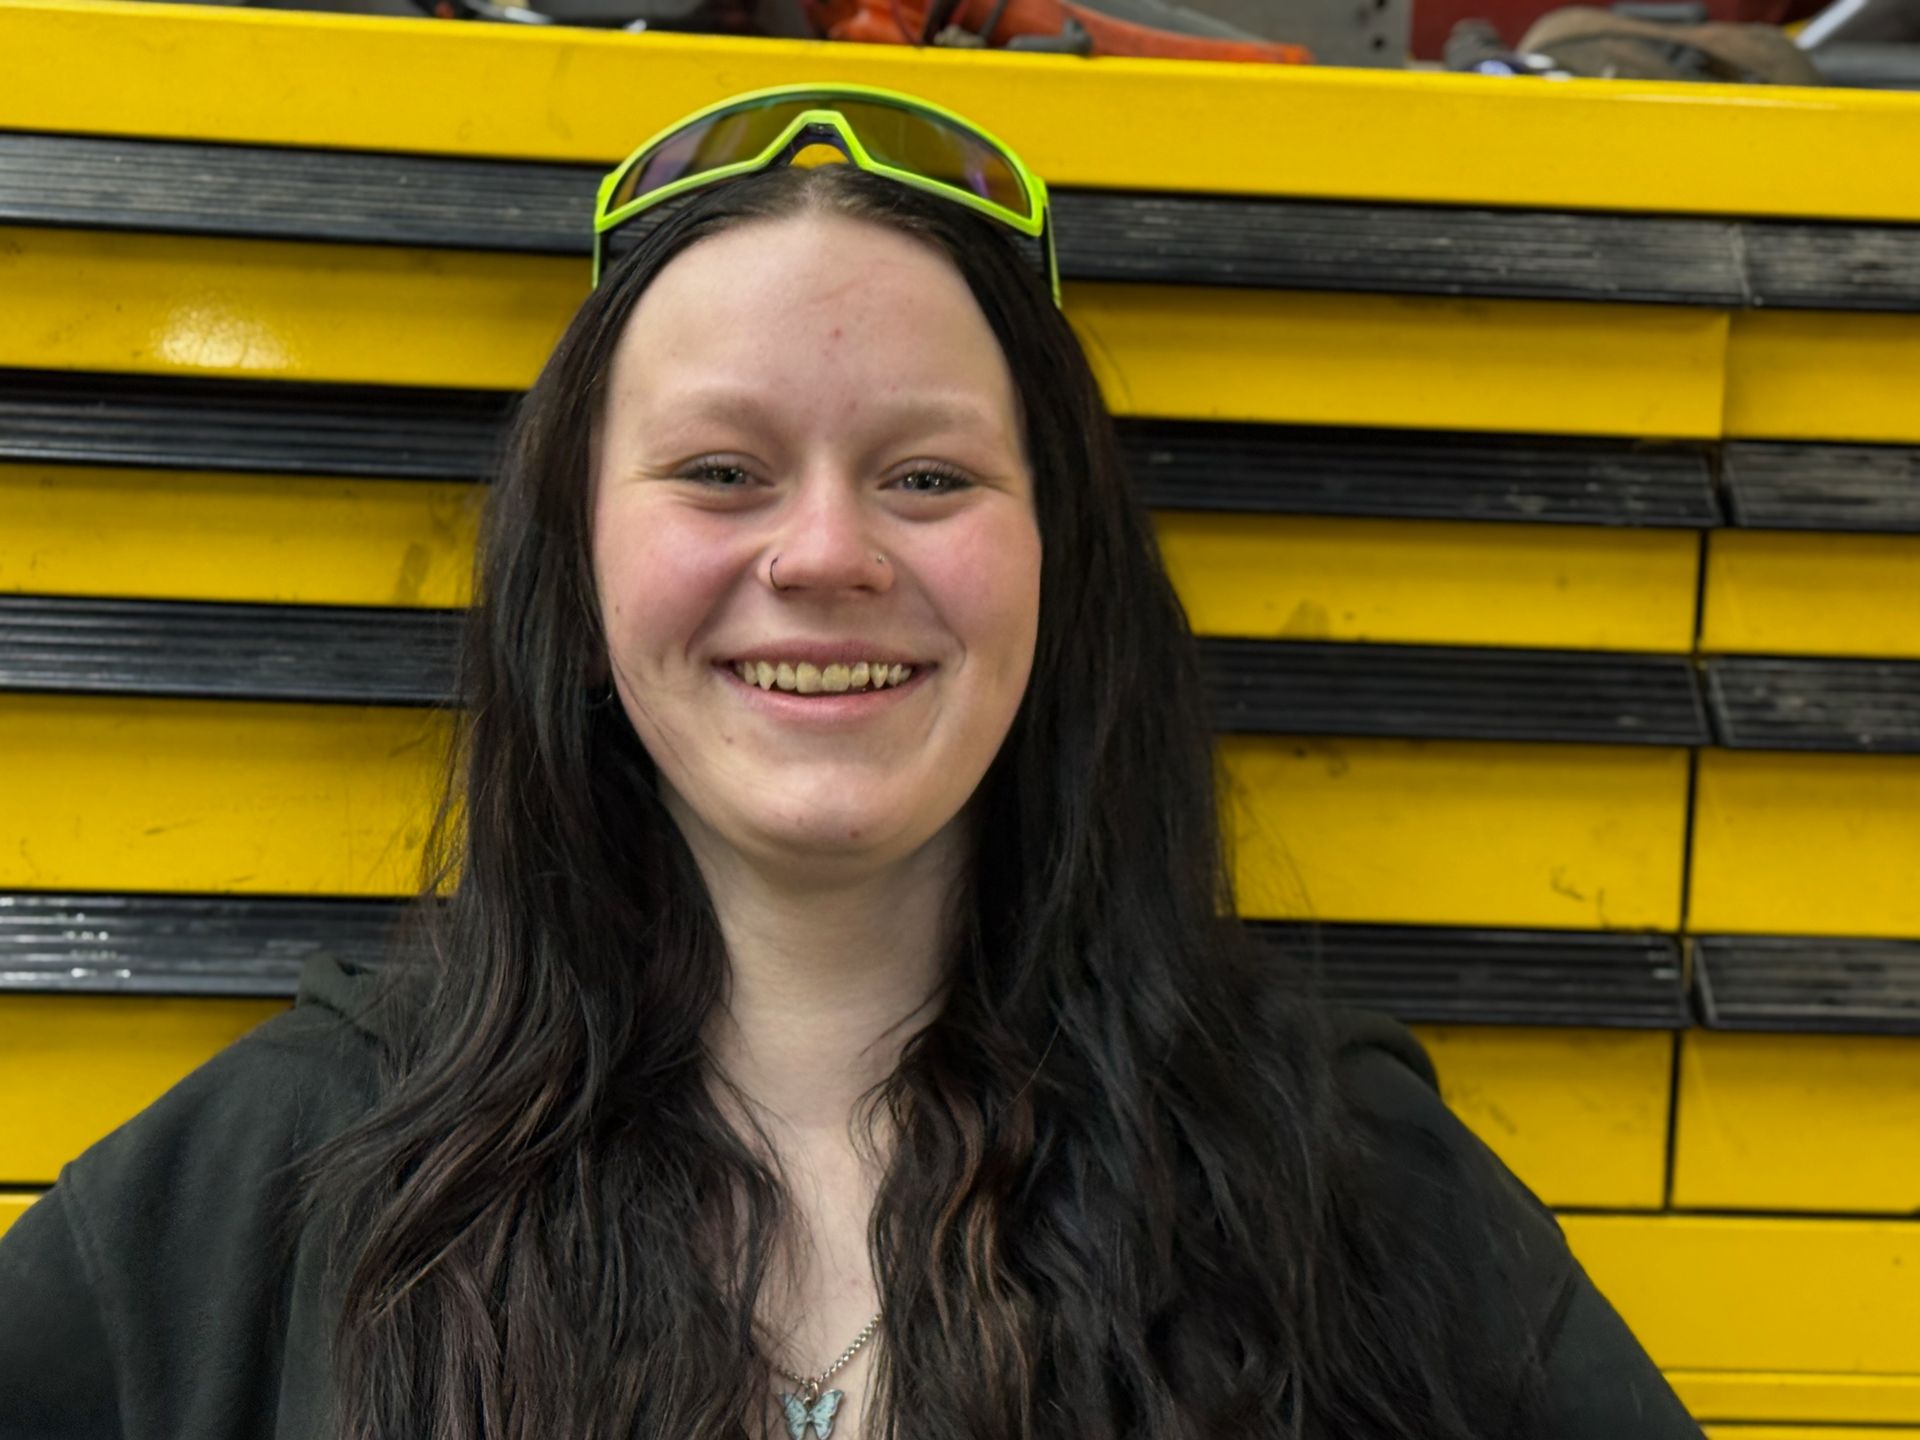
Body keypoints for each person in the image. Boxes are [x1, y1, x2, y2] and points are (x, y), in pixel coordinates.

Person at [0, 86, 1705, 1440]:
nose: (824, 552)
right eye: (723, 471)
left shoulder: (1345, 1191)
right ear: (575, 562)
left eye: (929, 478)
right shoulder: (260, 1198)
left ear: (1063, 563)